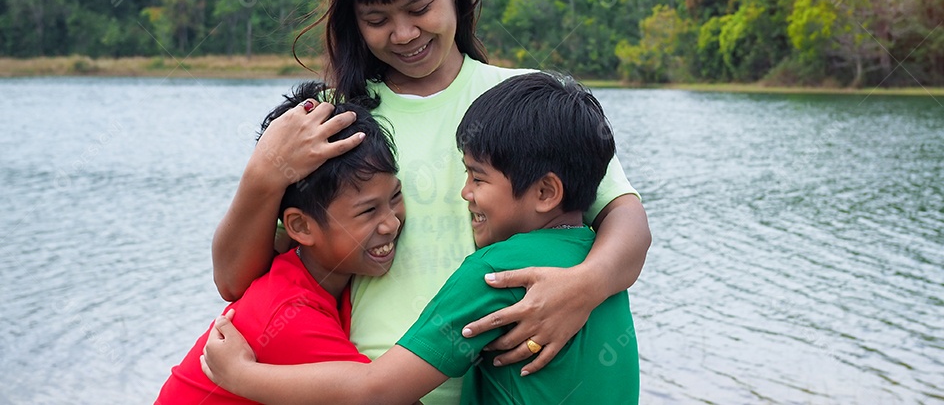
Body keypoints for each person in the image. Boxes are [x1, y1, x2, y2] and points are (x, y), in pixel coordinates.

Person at [211, 0, 651, 405]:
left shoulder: (525, 102)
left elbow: (628, 222)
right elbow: (234, 279)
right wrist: (264, 170)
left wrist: (584, 287)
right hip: (353, 386)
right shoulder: (329, 120)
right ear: (352, 20)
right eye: (377, 18)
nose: (404, 34)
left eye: (420, 8)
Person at [203, 73, 639, 404]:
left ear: (545, 192)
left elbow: (377, 392)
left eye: (476, 177)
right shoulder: (597, 265)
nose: (464, 192)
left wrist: (241, 376)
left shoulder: (495, 273)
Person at [156, 81, 404, 404]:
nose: (392, 222)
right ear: (300, 226)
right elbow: (382, 397)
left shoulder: (312, 273)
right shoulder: (292, 315)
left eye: (396, 196)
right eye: (368, 210)